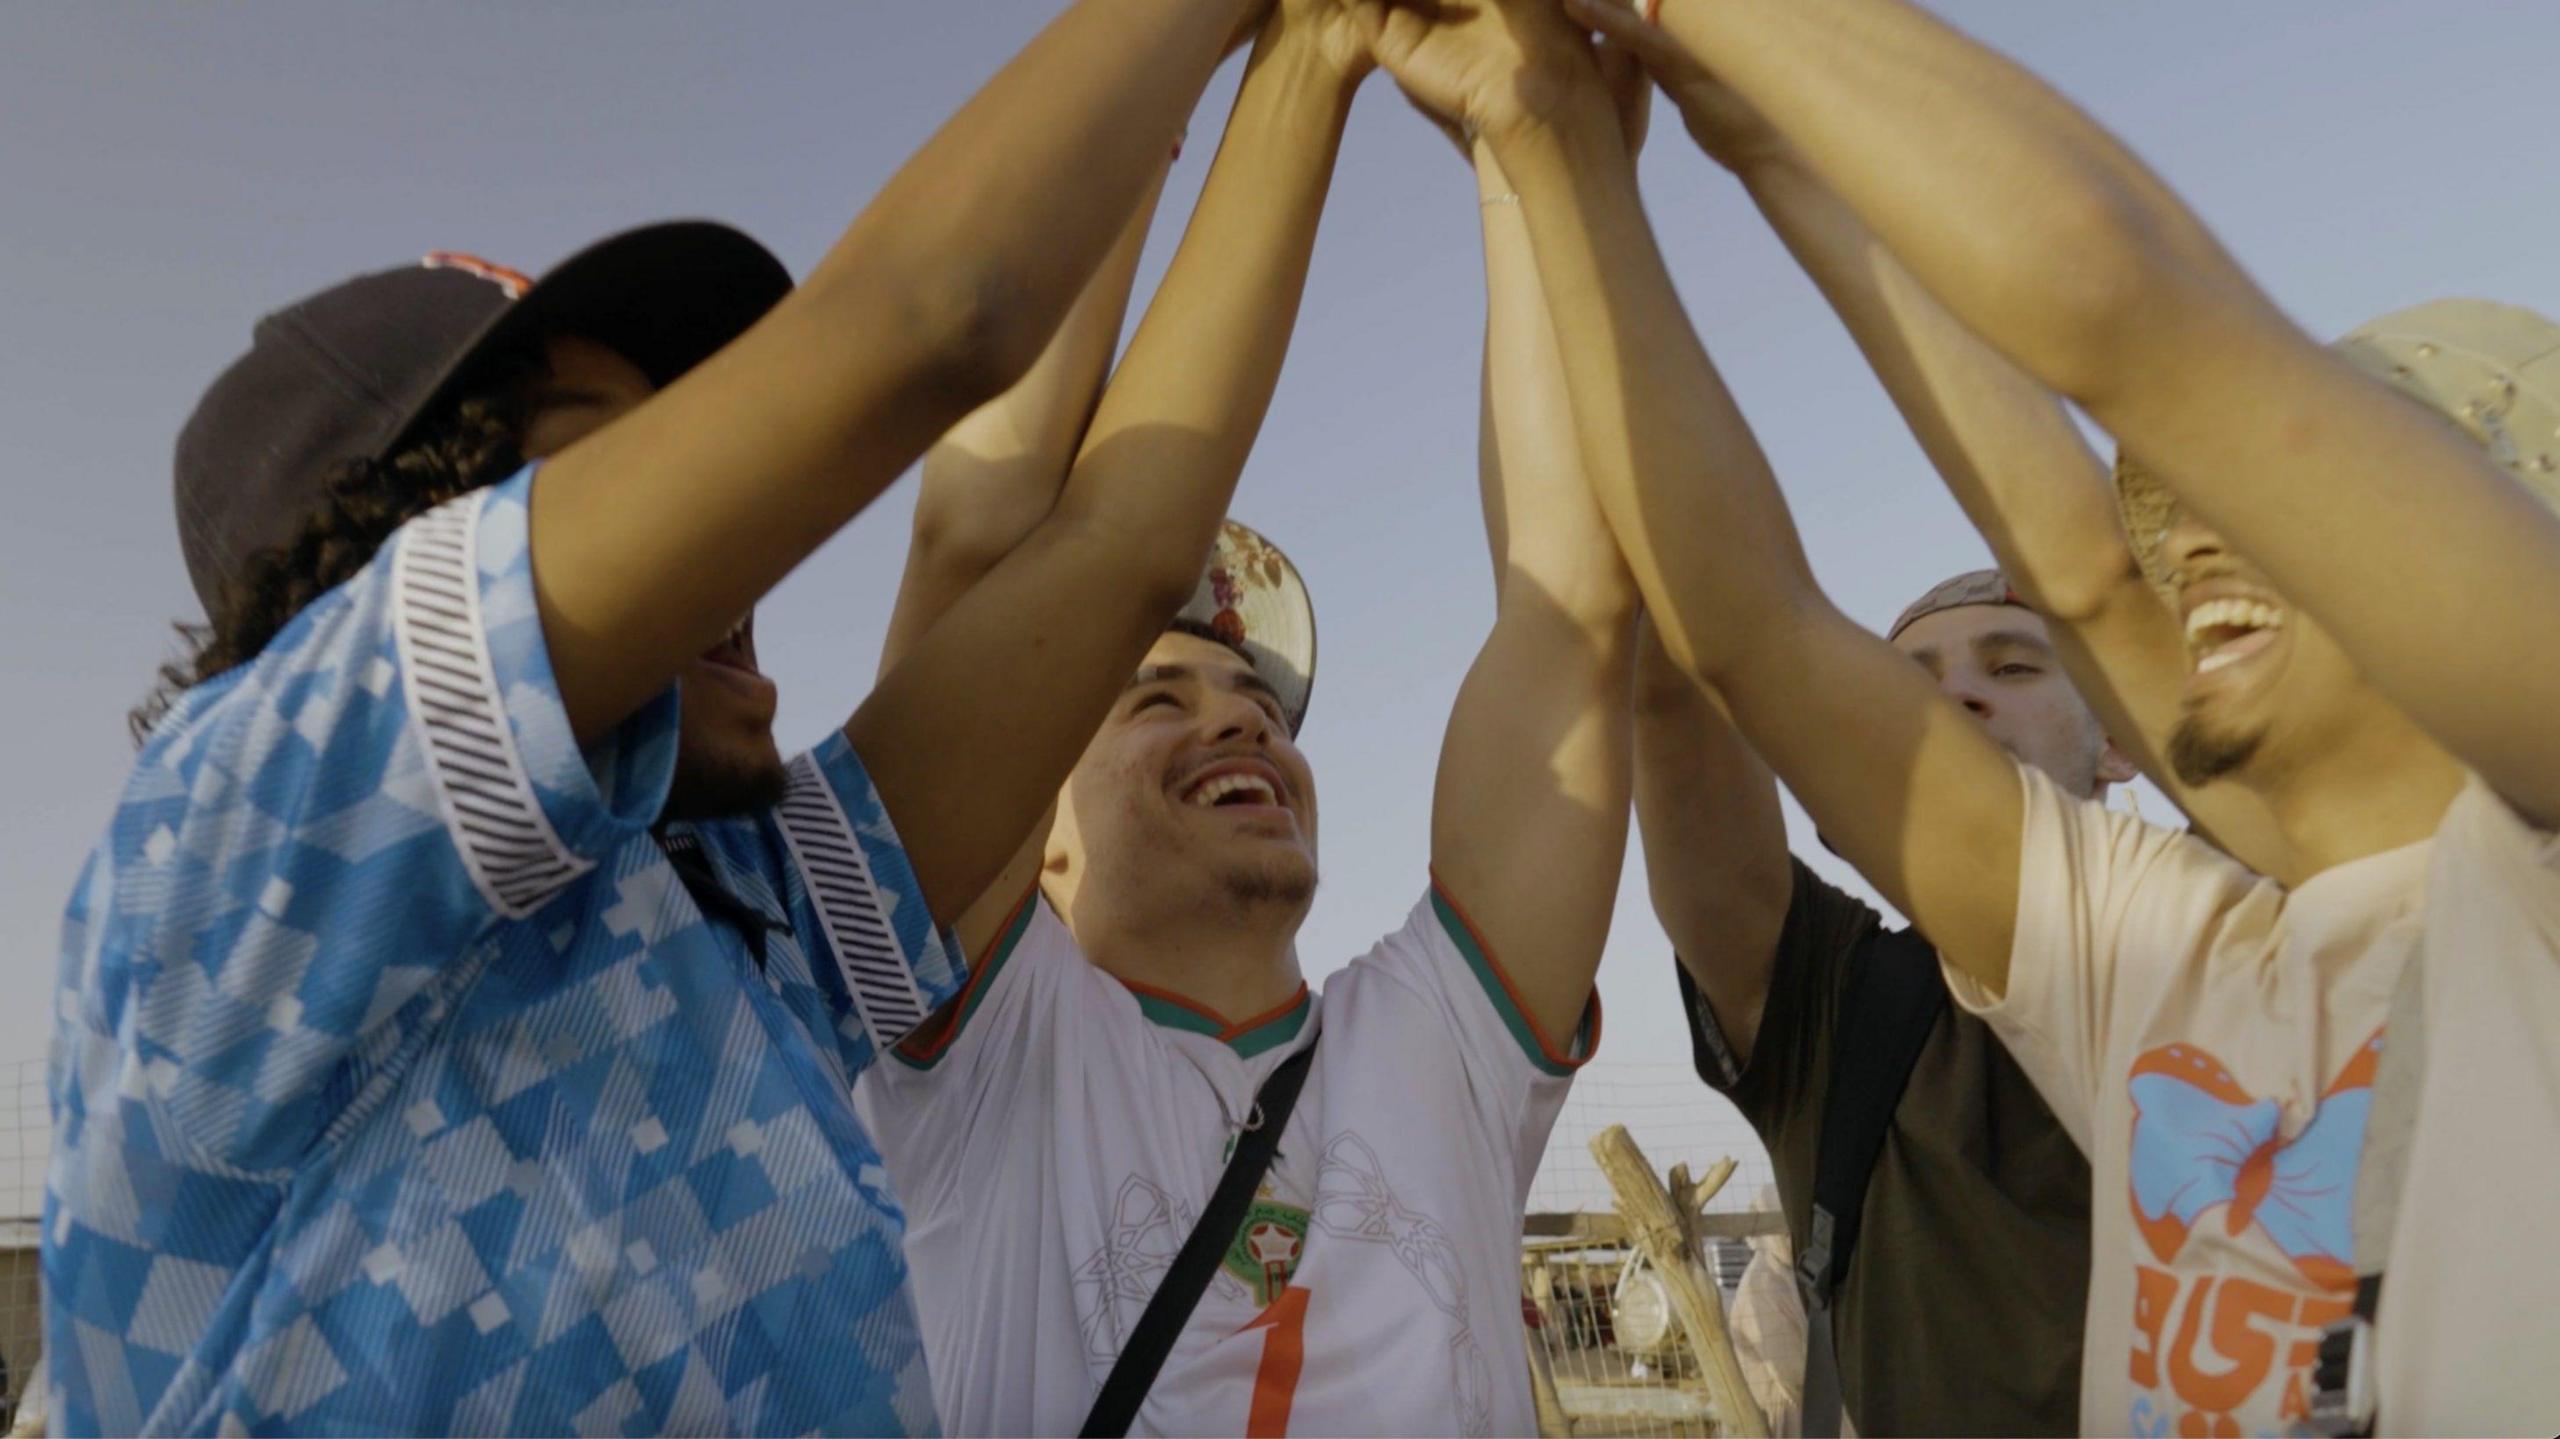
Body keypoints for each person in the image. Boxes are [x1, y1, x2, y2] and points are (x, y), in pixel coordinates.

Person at [44, 0, 1274, 1430]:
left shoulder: (726, 927)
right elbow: (935, 316)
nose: (734, 534)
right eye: (614, 472)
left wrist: (1314, 63)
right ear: (381, 571)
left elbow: (1126, 550)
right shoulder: (245, 846)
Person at [1500, 0, 2560, 1430]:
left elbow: (2121, 310)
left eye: (2299, 496)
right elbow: (1757, 630)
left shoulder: (2525, 901)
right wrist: (1576, 144)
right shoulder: (2163, 964)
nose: (2205, 555)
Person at [854, 7, 1635, 1431]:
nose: (1243, 724)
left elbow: (1571, 614)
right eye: (1156, 696)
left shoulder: (1437, 1046)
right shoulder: (988, 1058)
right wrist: (1225, 69)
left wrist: (1527, 149)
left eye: (1257, 701)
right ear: (1039, 838)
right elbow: (976, 543)